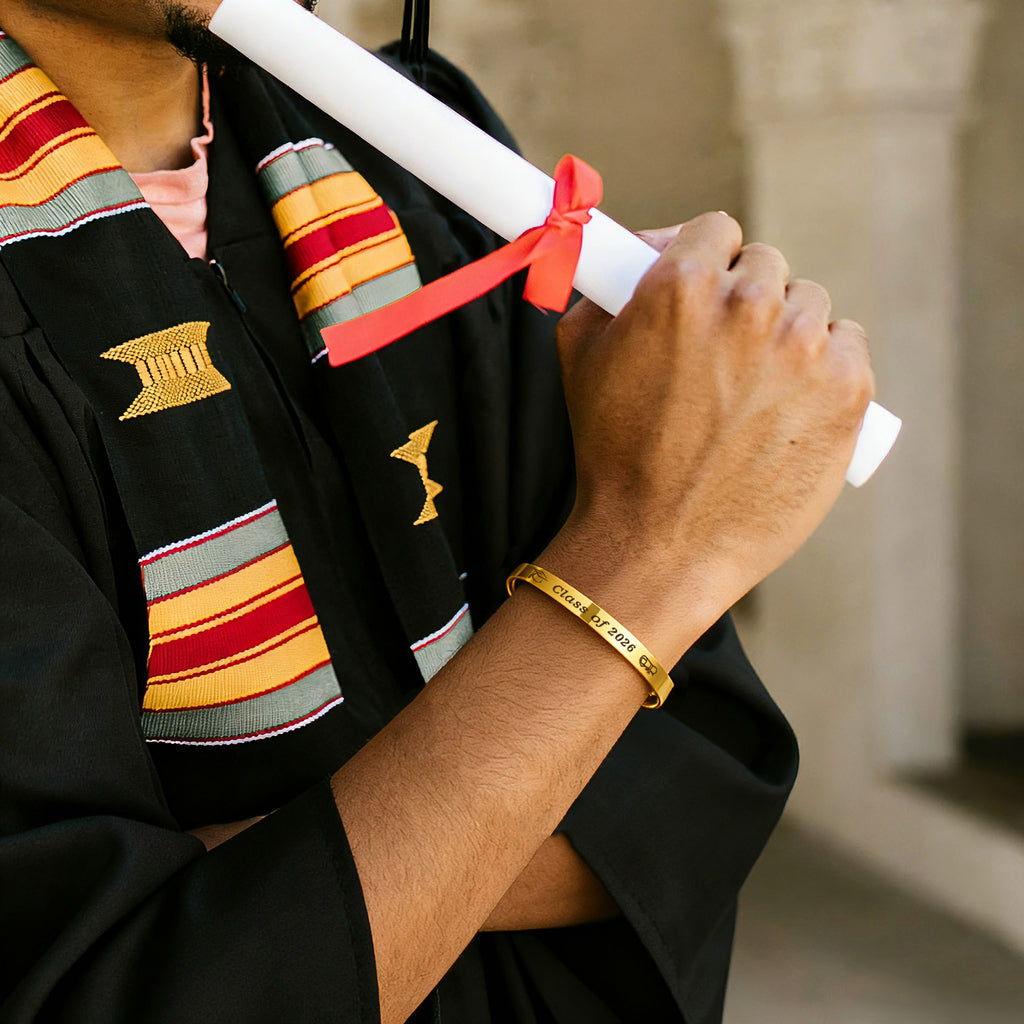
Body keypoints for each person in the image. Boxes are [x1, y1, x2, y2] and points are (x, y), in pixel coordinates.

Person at [0, 1, 873, 1022]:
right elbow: (117, 990)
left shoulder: (415, 160)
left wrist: (262, 886)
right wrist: (647, 550)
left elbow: (698, 782)